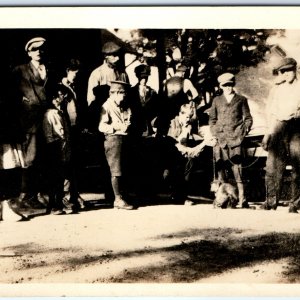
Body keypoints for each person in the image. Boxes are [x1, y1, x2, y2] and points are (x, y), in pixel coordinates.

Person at [11, 37, 54, 209]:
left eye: (41, 49)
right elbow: (11, 93)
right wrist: (24, 102)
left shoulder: (49, 69)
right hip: (29, 120)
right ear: (28, 52)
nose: (39, 52)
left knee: (46, 155)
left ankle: (38, 193)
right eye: (34, 49)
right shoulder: (20, 70)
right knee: (31, 157)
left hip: (47, 117)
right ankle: (25, 194)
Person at [261, 57, 300, 213]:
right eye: (282, 71)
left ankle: (295, 204)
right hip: (278, 127)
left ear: (295, 69)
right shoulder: (276, 89)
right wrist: (267, 134)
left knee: (298, 167)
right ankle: (270, 202)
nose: (286, 74)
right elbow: (271, 113)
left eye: (288, 70)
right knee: (272, 167)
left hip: (297, 127)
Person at [209, 72, 253, 209]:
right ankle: (222, 200)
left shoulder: (241, 99)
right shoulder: (216, 100)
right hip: (221, 139)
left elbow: (248, 119)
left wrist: (242, 132)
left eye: (230, 84)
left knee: (238, 170)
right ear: (221, 86)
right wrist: (215, 131)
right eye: (225, 85)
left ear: (233, 85)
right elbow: (212, 119)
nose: (228, 87)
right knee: (221, 169)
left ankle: (242, 199)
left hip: (236, 140)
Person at [99, 80, 135, 210]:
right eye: (122, 94)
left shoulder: (123, 105)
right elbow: (101, 126)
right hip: (113, 139)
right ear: (114, 93)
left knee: (123, 169)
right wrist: (117, 127)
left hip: (123, 139)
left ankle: (120, 195)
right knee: (116, 170)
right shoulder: (107, 106)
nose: (123, 97)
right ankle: (117, 199)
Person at [166, 103, 207, 205]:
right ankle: (179, 195)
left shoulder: (188, 126)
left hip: (181, 152)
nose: (188, 119)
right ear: (180, 113)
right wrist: (201, 145)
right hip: (168, 152)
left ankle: (181, 195)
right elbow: (174, 143)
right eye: (186, 116)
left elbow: (187, 142)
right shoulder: (172, 123)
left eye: (190, 117)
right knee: (181, 162)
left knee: (190, 161)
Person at [42, 84, 72, 215]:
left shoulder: (61, 112)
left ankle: (59, 203)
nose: (63, 97)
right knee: (54, 178)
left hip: (63, 148)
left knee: (61, 178)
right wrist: (56, 148)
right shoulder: (50, 114)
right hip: (54, 149)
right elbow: (49, 135)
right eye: (60, 94)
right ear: (54, 97)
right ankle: (54, 205)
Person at [87, 42, 129, 132]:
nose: (117, 58)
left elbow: (127, 96)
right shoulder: (97, 74)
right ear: (106, 56)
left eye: (118, 55)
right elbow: (91, 101)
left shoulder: (123, 73)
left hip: (122, 121)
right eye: (114, 55)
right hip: (104, 121)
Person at [61, 58, 85, 212]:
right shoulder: (61, 88)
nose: (76, 76)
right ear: (67, 72)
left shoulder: (74, 86)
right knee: (66, 163)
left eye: (77, 73)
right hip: (66, 129)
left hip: (75, 129)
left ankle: (74, 195)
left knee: (75, 163)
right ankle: (66, 196)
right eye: (73, 73)